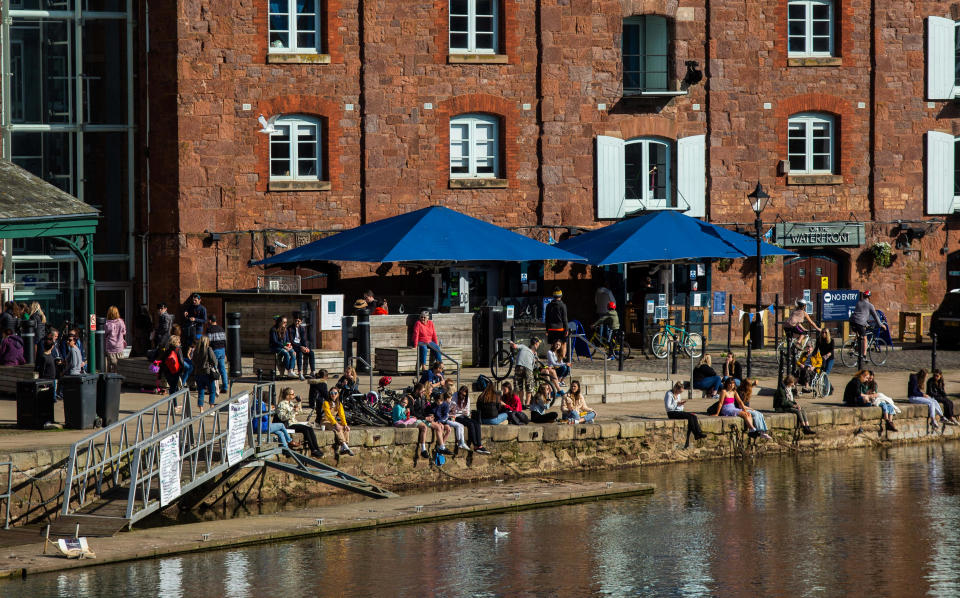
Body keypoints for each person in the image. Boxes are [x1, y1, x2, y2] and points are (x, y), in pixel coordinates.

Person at [276, 387, 323, 457]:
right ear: (287, 395)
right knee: (306, 429)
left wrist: (299, 403)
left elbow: (300, 412)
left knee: (309, 428)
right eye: (292, 394)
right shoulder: (281, 404)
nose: (294, 395)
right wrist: (293, 411)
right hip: (288, 424)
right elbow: (282, 417)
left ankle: (316, 448)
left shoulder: (291, 403)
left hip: (294, 422)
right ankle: (313, 449)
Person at [451, 385, 489, 454]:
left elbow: (468, 411)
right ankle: (475, 445)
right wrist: (455, 409)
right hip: (456, 416)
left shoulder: (467, 399)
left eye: (464, 395)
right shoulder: (455, 396)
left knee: (477, 423)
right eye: (461, 394)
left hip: (463, 416)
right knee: (470, 424)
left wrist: (467, 413)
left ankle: (479, 445)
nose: (462, 396)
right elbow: (451, 408)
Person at [849, 290, 886, 359]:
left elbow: (860, 314)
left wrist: (866, 323)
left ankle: (852, 348)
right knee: (865, 338)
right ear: (869, 297)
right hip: (860, 322)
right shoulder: (870, 305)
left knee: (858, 334)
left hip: (852, 321)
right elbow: (875, 316)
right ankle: (864, 356)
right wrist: (881, 325)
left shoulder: (859, 303)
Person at [322, 387, 354, 456]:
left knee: (345, 428)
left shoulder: (339, 404)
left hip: (333, 421)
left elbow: (342, 415)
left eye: (335, 393)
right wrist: (336, 424)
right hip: (325, 421)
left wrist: (345, 424)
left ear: (338, 394)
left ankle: (344, 446)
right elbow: (328, 415)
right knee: (337, 428)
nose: (333, 395)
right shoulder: (326, 403)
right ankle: (344, 446)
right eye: (331, 393)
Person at [160, 325, 185, 412]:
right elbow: (181, 361)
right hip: (175, 371)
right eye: (179, 341)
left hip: (167, 372)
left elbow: (162, 362)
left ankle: (173, 406)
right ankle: (174, 406)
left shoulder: (167, 350)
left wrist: (160, 374)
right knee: (173, 389)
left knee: (172, 388)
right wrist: (182, 370)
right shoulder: (178, 350)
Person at [510, 337, 541, 407]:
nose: (538, 346)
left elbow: (514, 346)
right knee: (529, 387)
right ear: (536, 344)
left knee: (518, 386)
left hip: (519, 367)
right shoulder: (532, 353)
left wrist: (511, 343)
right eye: (538, 344)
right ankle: (527, 404)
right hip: (528, 369)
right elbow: (536, 365)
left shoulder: (524, 347)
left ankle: (520, 404)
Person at [191, 334, 219, 410]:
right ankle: (211, 408)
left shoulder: (196, 350)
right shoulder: (209, 349)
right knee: (212, 391)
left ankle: (201, 409)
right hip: (207, 373)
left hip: (198, 373)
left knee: (201, 391)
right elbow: (214, 361)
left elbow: (193, 361)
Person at [206, 314, 229, 395]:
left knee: (213, 370)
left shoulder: (209, 329)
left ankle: (214, 388)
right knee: (222, 369)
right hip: (222, 350)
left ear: (210, 321)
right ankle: (225, 387)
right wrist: (225, 352)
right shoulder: (221, 328)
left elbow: (208, 342)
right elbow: (225, 341)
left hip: (214, 350)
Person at [286, 313, 315, 380]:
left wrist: (305, 347)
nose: (297, 322)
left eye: (299, 321)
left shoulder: (302, 328)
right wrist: (300, 347)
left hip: (301, 346)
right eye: (296, 320)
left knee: (311, 353)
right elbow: (291, 341)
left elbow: (304, 339)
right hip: (293, 346)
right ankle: (300, 373)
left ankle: (312, 371)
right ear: (293, 320)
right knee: (299, 353)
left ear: (301, 321)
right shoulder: (290, 328)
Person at [544, 287, 569, 362]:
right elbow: (565, 319)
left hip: (551, 328)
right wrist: (566, 329)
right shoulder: (563, 305)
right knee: (563, 344)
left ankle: (553, 360)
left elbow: (547, 319)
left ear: (553, 296)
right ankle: (561, 359)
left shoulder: (549, 305)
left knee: (553, 345)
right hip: (560, 328)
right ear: (561, 296)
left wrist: (547, 329)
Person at [104, 305, 127, 374]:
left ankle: (111, 382)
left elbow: (104, 334)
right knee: (119, 367)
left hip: (110, 348)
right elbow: (124, 332)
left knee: (111, 367)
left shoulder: (107, 324)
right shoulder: (121, 322)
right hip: (119, 347)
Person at [815, 327, 835, 395]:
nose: (823, 334)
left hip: (830, 358)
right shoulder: (819, 340)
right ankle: (830, 388)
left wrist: (827, 355)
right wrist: (812, 355)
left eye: (825, 333)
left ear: (828, 333)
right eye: (822, 332)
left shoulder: (831, 340)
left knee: (826, 373)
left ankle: (827, 390)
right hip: (822, 359)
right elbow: (816, 349)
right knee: (821, 373)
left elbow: (832, 350)